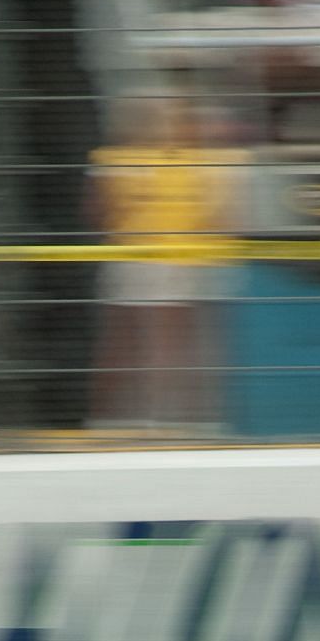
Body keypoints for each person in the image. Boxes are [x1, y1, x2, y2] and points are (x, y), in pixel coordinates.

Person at [87, 95, 242, 433]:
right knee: (165, 342)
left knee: (139, 341)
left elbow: (99, 214)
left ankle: (142, 418)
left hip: (150, 256)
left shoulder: (121, 160)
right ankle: (162, 419)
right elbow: (219, 217)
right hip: (162, 258)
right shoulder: (178, 162)